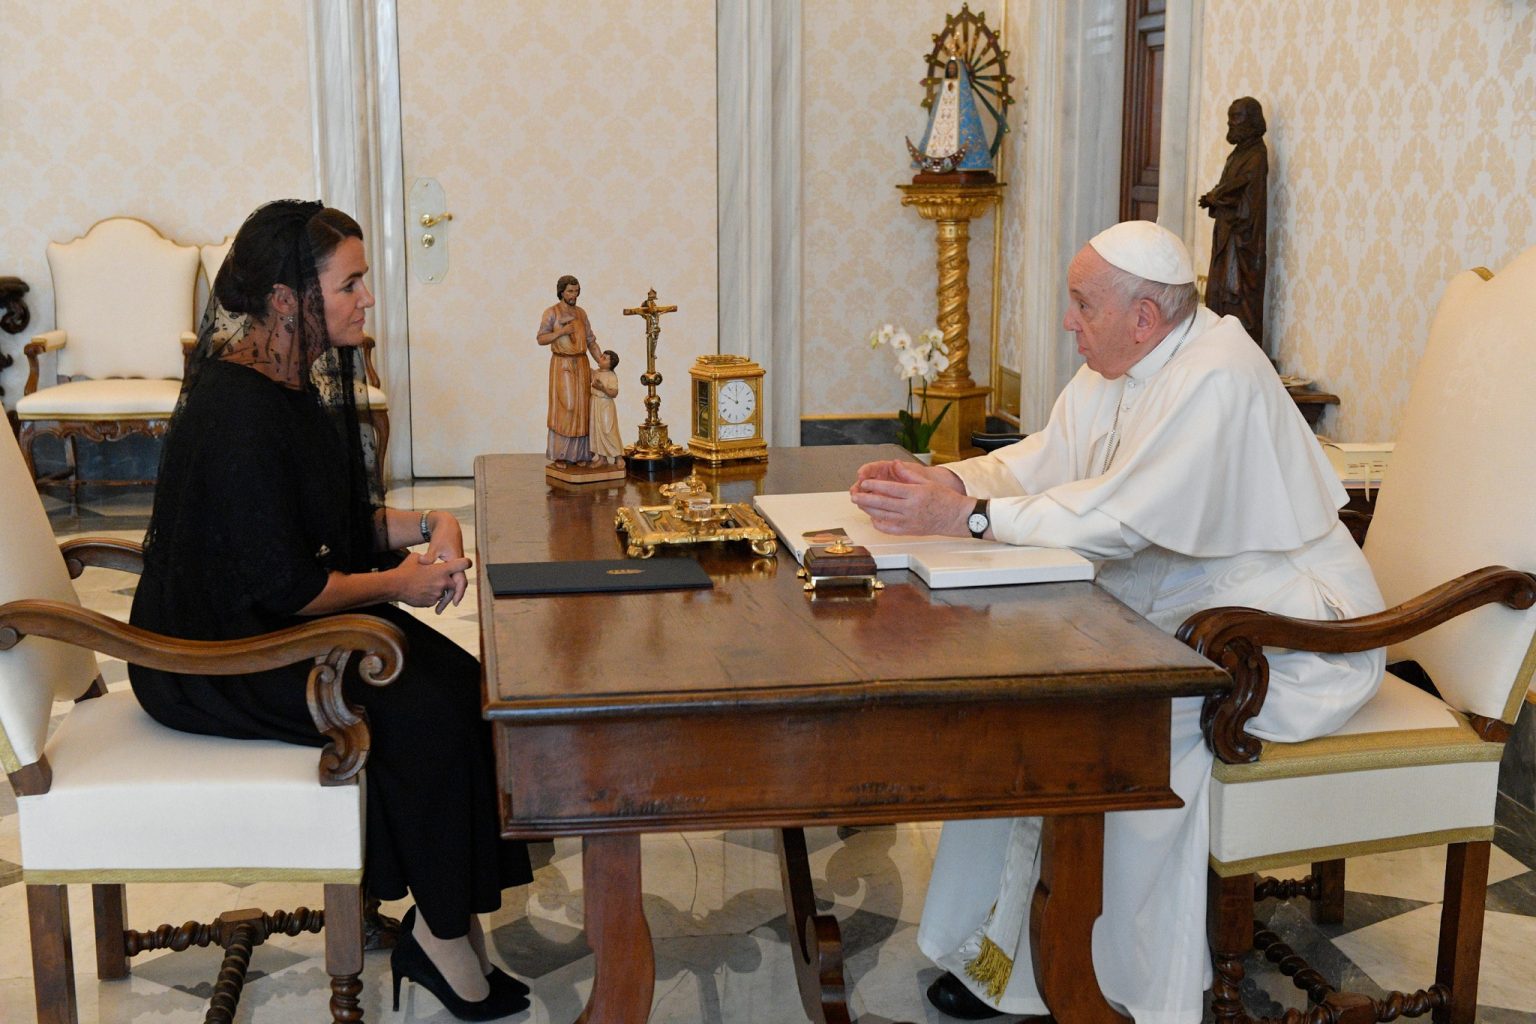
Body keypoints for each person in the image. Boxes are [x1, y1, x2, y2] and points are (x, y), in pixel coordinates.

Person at [849, 220, 1384, 1022]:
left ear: (1143, 316)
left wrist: (969, 519)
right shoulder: (1119, 362)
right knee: (1027, 691)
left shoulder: (1216, 374)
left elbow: (1119, 520)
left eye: (1081, 304)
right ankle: (998, 955)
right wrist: (947, 482)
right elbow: (1044, 459)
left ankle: (1110, 985)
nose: (1068, 322)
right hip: (1198, 612)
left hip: (1294, 636)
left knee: (1122, 724)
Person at [129, 200, 532, 1021]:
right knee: (423, 708)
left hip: (266, 623)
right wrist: (400, 585)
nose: (366, 299)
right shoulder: (239, 412)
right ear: (288, 299)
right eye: (350, 284)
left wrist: (432, 524)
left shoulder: (286, 382)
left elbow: (333, 526)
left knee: (462, 682)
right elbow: (293, 588)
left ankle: (444, 918)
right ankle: (441, 934)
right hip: (211, 659)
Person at [1199, 97, 1269, 349]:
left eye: (1237, 117)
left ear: (1252, 120)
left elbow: (1242, 187)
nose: (1231, 123)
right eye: (1230, 117)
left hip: (1242, 239)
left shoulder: (1256, 154)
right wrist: (1216, 196)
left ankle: (1238, 348)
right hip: (1227, 233)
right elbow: (1229, 185)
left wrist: (1216, 197)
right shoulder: (1238, 154)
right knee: (1219, 292)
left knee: (1236, 294)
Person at [536, 274, 603, 466]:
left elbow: (590, 340)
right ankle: (560, 453)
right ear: (561, 292)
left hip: (581, 363)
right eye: (570, 291)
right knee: (567, 406)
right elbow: (541, 338)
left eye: (576, 291)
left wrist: (601, 362)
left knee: (582, 408)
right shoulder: (552, 312)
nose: (574, 295)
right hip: (562, 363)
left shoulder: (581, 313)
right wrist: (562, 332)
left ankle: (580, 454)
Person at [588, 348, 623, 466]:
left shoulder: (611, 376)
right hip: (595, 403)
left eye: (604, 358)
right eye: (601, 356)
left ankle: (618, 457)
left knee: (608, 431)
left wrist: (602, 388)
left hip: (605, 405)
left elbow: (614, 393)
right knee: (596, 431)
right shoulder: (596, 372)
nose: (600, 358)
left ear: (610, 364)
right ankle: (602, 458)